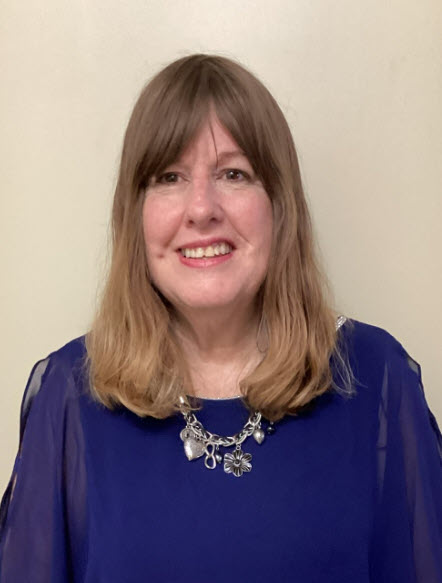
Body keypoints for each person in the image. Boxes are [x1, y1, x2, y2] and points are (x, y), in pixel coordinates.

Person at [0, 54, 441, 582]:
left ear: (279, 205)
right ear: (134, 213)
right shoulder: (70, 394)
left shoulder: (376, 380)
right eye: (169, 177)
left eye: (234, 174)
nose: (201, 208)